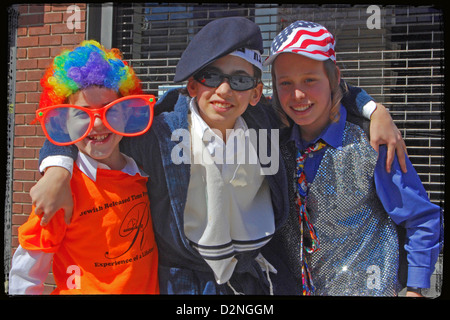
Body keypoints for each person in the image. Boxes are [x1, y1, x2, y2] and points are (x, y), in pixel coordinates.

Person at [29, 17, 406, 295]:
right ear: (192, 83)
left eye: (240, 80)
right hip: (184, 287)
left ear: (256, 92)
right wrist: (57, 167)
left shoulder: (266, 121)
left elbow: (314, 92)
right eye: (211, 76)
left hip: (256, 281)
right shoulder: (159, 126)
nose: (224, 90)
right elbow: (93, 123)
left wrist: (373, 108)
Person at [262, 21, 442, 296]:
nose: (297, 95)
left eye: (310, 80)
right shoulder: (274, 145)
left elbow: (422, 218)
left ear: (334, 78)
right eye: (285, 83)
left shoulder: (372, 143)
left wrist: (416, 289)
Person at [9, 40, 159, 294]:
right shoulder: (61, 191)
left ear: (125, 112)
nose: (98, 123)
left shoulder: (145, 173)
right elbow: (26, 273)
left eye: (110, 110)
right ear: (64, 121)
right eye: (82, 113)